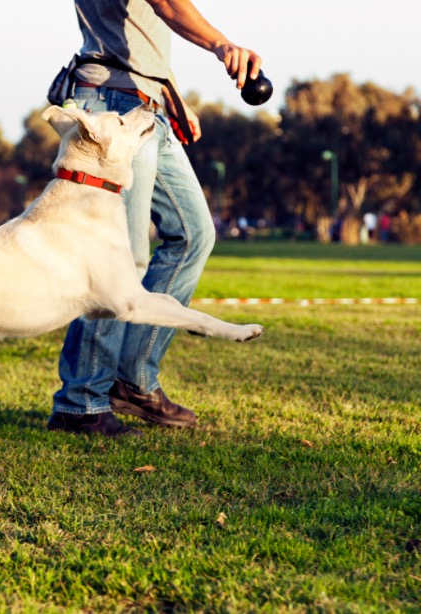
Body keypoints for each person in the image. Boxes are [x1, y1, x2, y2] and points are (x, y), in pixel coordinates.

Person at [46, 0, 264, 437]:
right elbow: (167, 5)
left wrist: (170, 95)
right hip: (113, 108)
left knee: (193, 235)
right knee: (118, 264)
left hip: (146, 106)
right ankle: (81, 402)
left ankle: (132, 380)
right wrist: (222, 45)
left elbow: (138, 35)